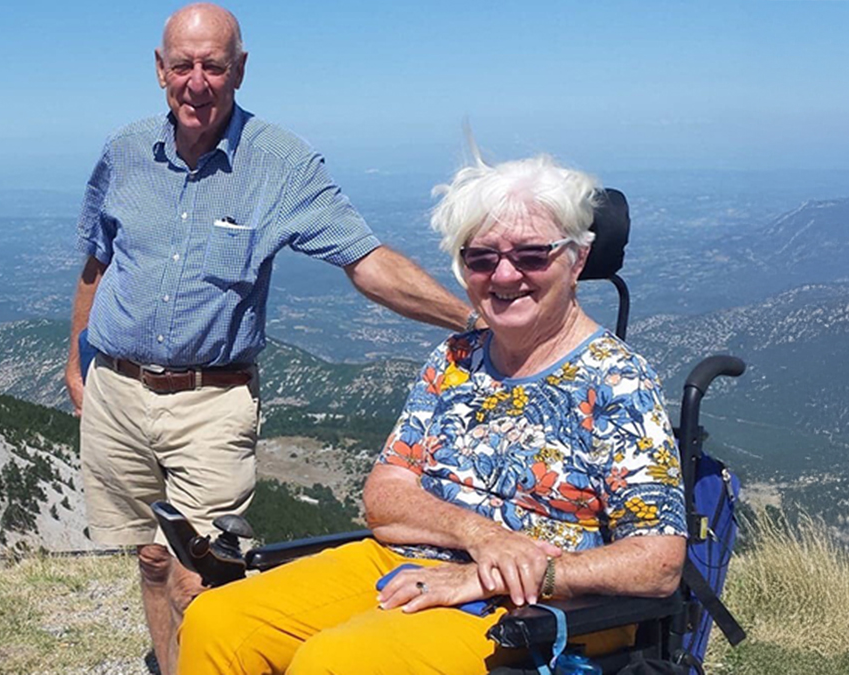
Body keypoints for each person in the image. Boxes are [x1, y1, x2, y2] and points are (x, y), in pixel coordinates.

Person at [65, 4, 478, 674]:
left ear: (241, 69)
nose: (197, 82)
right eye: (183, 66)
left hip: (210, 399)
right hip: (114, 387)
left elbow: (366, 259)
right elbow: (96, 259)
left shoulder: (279, 163)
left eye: (214, 66)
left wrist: (470, 318)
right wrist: (75, 360)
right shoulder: (124, 153)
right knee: (149, 555)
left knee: (200, 573)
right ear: (159, 70)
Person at [176, 151, 688, 674]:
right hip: (412, 562)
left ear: (576, 259)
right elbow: (386, 496)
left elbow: (659, 562)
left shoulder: (617, 380)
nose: (504, 274)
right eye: (481, 258)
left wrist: (498, 574)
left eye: (532, 255)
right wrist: (480, 536)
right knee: (217, 623)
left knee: (339, 662)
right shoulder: (456, 359)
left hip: (547, 604)